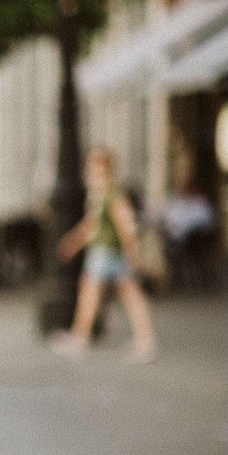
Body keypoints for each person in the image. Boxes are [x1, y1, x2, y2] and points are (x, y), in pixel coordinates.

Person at [50, 146, 156, 363]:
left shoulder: (113, 194)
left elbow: (125, 225)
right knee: (121, 295)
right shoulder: (99, 194)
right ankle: (142, 340)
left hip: (107, 252)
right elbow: (92, 226)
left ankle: (82, 338)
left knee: (98, 294)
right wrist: (74, 241)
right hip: (103, 251)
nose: (92, 171)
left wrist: (131, 252)